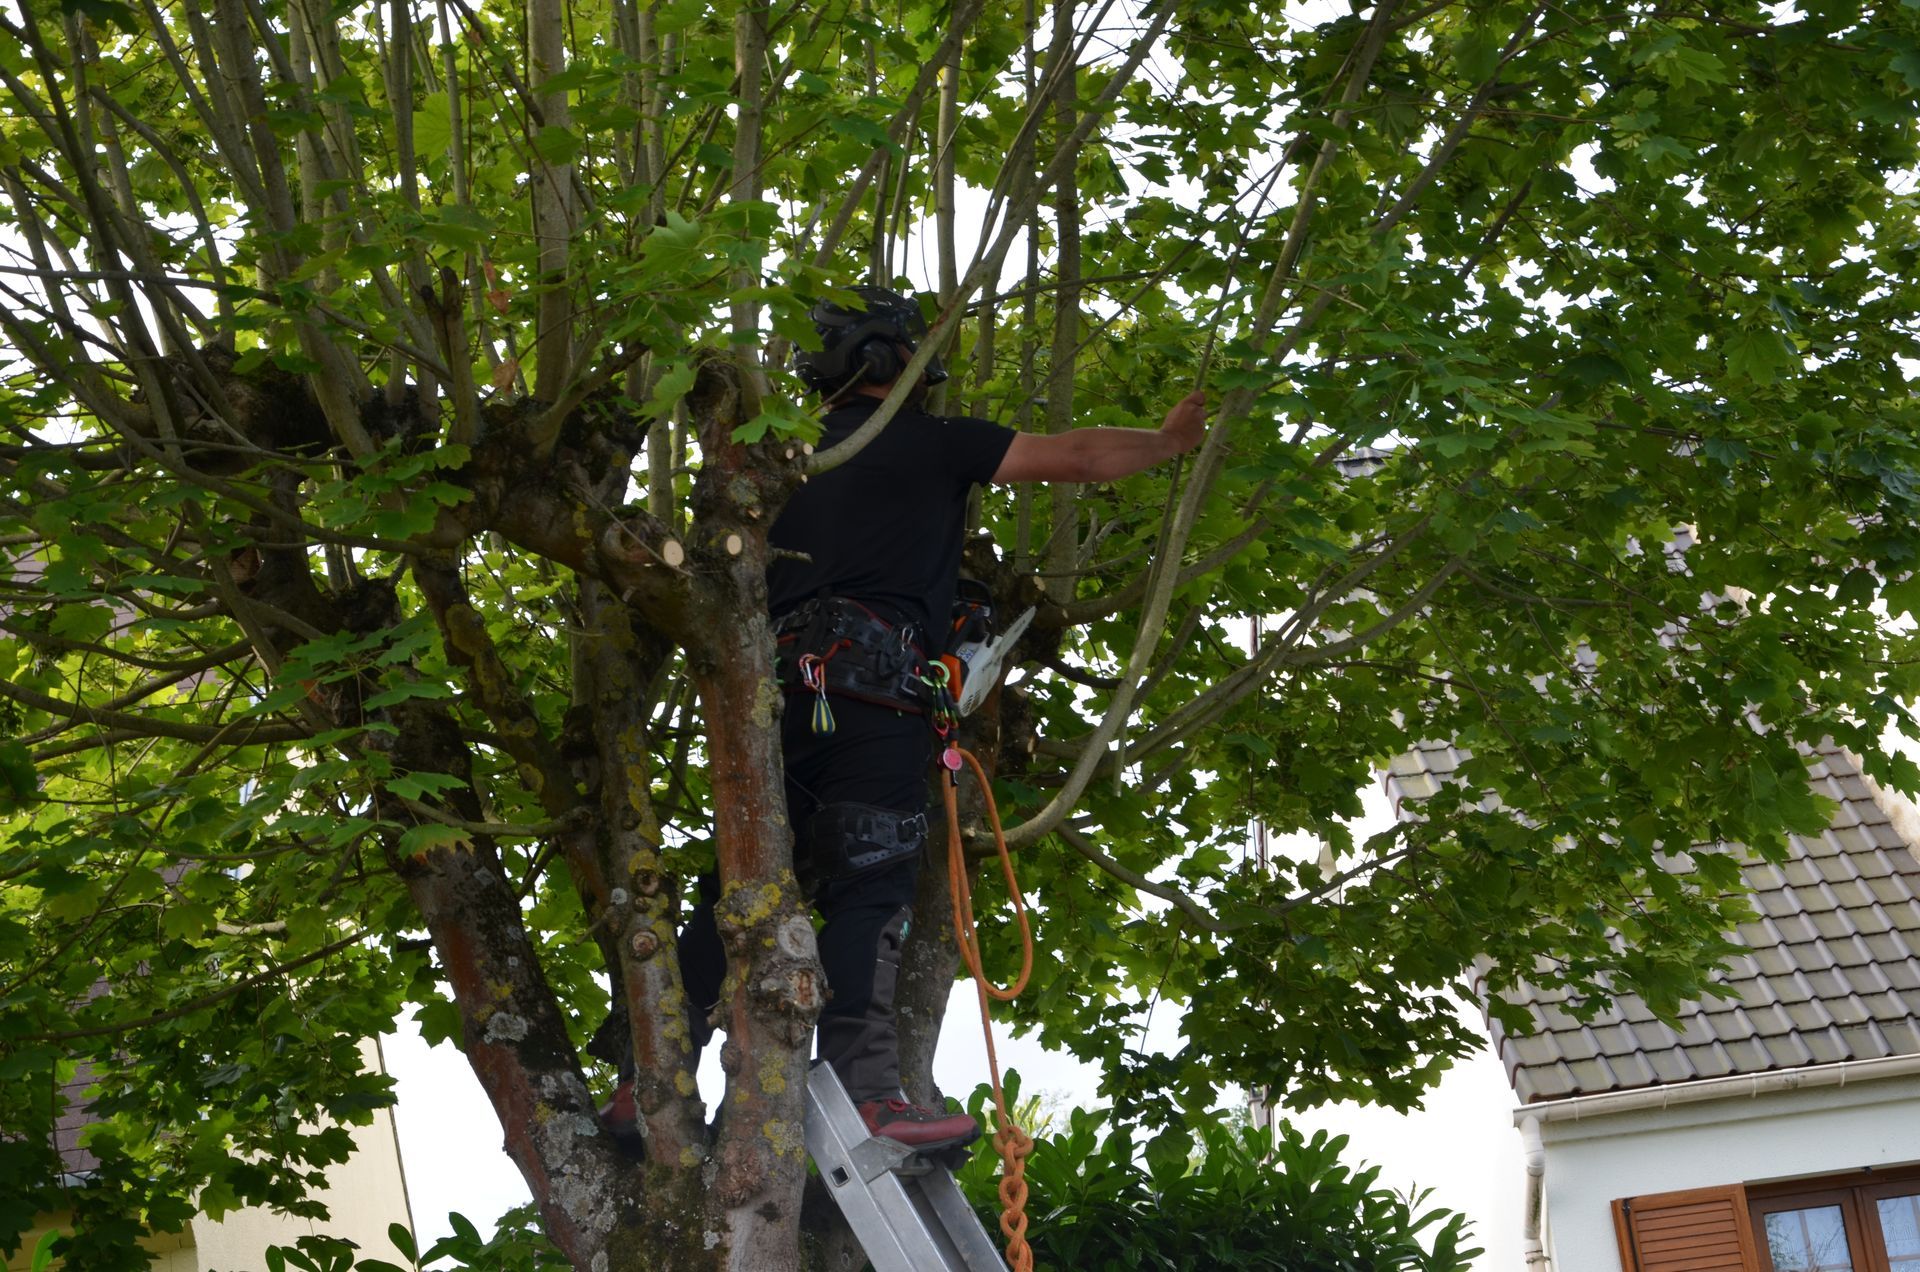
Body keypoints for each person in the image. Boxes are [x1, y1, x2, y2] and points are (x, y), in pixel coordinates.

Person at [629, 286, 1207, 1154]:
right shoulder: (937, 443)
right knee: (871, 882)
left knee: (735, 893)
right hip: (872, 701)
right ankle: (868, 1097)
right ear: (900, 365)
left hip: (768, 706)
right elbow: (1082, 456)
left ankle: (640, 1082)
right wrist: (1165, 443)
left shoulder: (775, 461)